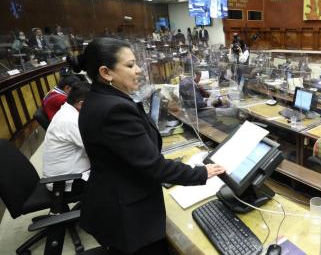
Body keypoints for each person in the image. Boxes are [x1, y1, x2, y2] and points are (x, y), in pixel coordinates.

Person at [71, 38, 225, 254]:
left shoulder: (98, 98)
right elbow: (153, 166)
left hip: (112, 197)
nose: (139, 70)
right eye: (130, 65)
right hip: (128, 213)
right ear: (106, 72)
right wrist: (200, 173)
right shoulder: (114, 109)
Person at [42, 81, 91, 193]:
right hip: (64, 181)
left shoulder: (69, 110)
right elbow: (95, 148)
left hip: (69, 173)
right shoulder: (69, 120)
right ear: (81, 104)